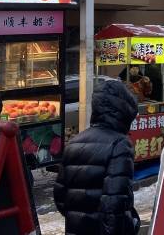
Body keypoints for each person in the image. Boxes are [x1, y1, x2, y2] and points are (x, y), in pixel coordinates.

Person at [54, 80, 140, 235]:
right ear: (124, 112)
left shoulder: (73, 143)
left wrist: (79, 218)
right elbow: (115, 203)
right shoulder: (120, 144)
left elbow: (60, 196)